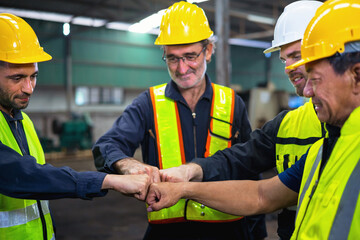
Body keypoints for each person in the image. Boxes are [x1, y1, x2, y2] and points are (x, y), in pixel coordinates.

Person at [146, 0, 360, 239]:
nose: (291, 70)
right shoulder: (320, 151)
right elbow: (260, 191)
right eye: (284, 59)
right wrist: (187, 180)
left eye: (315, 76)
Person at [92, 1, 266, 239]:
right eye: (172, 58)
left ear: (208, 51)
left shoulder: (233, 102)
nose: (182, 68)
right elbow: (106, 146)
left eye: (190, 56)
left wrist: (257, 232)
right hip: (168, 231)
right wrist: (128, 165)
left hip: (229, 230)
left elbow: (249, 168)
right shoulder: (148, 104)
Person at [0, 13, 150, 240]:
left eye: (34, 76)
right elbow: (20, 176)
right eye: (17, 77)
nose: (29, 88)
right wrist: (109, 180)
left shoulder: (23, 121)